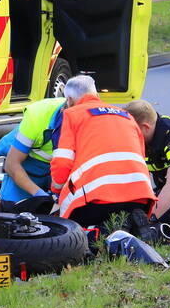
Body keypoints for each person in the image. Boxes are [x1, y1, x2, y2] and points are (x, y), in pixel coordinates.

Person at [49, 76, 156, 229]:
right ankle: (128, 227)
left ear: (70, 100)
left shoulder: (72, 114)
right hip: (140, 195)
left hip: (95, 199)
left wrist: (56, 190)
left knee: (68, 226)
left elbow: (62, 162)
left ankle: (91, 235)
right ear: (97, 95)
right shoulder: (127, 116)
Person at [0, 75, 89, 202]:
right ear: (70, 101)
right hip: (28, 165)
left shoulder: (93, 117)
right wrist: (38, 193)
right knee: (11, 211)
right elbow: (12, 164)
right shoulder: (38, 115)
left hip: (64, 171)